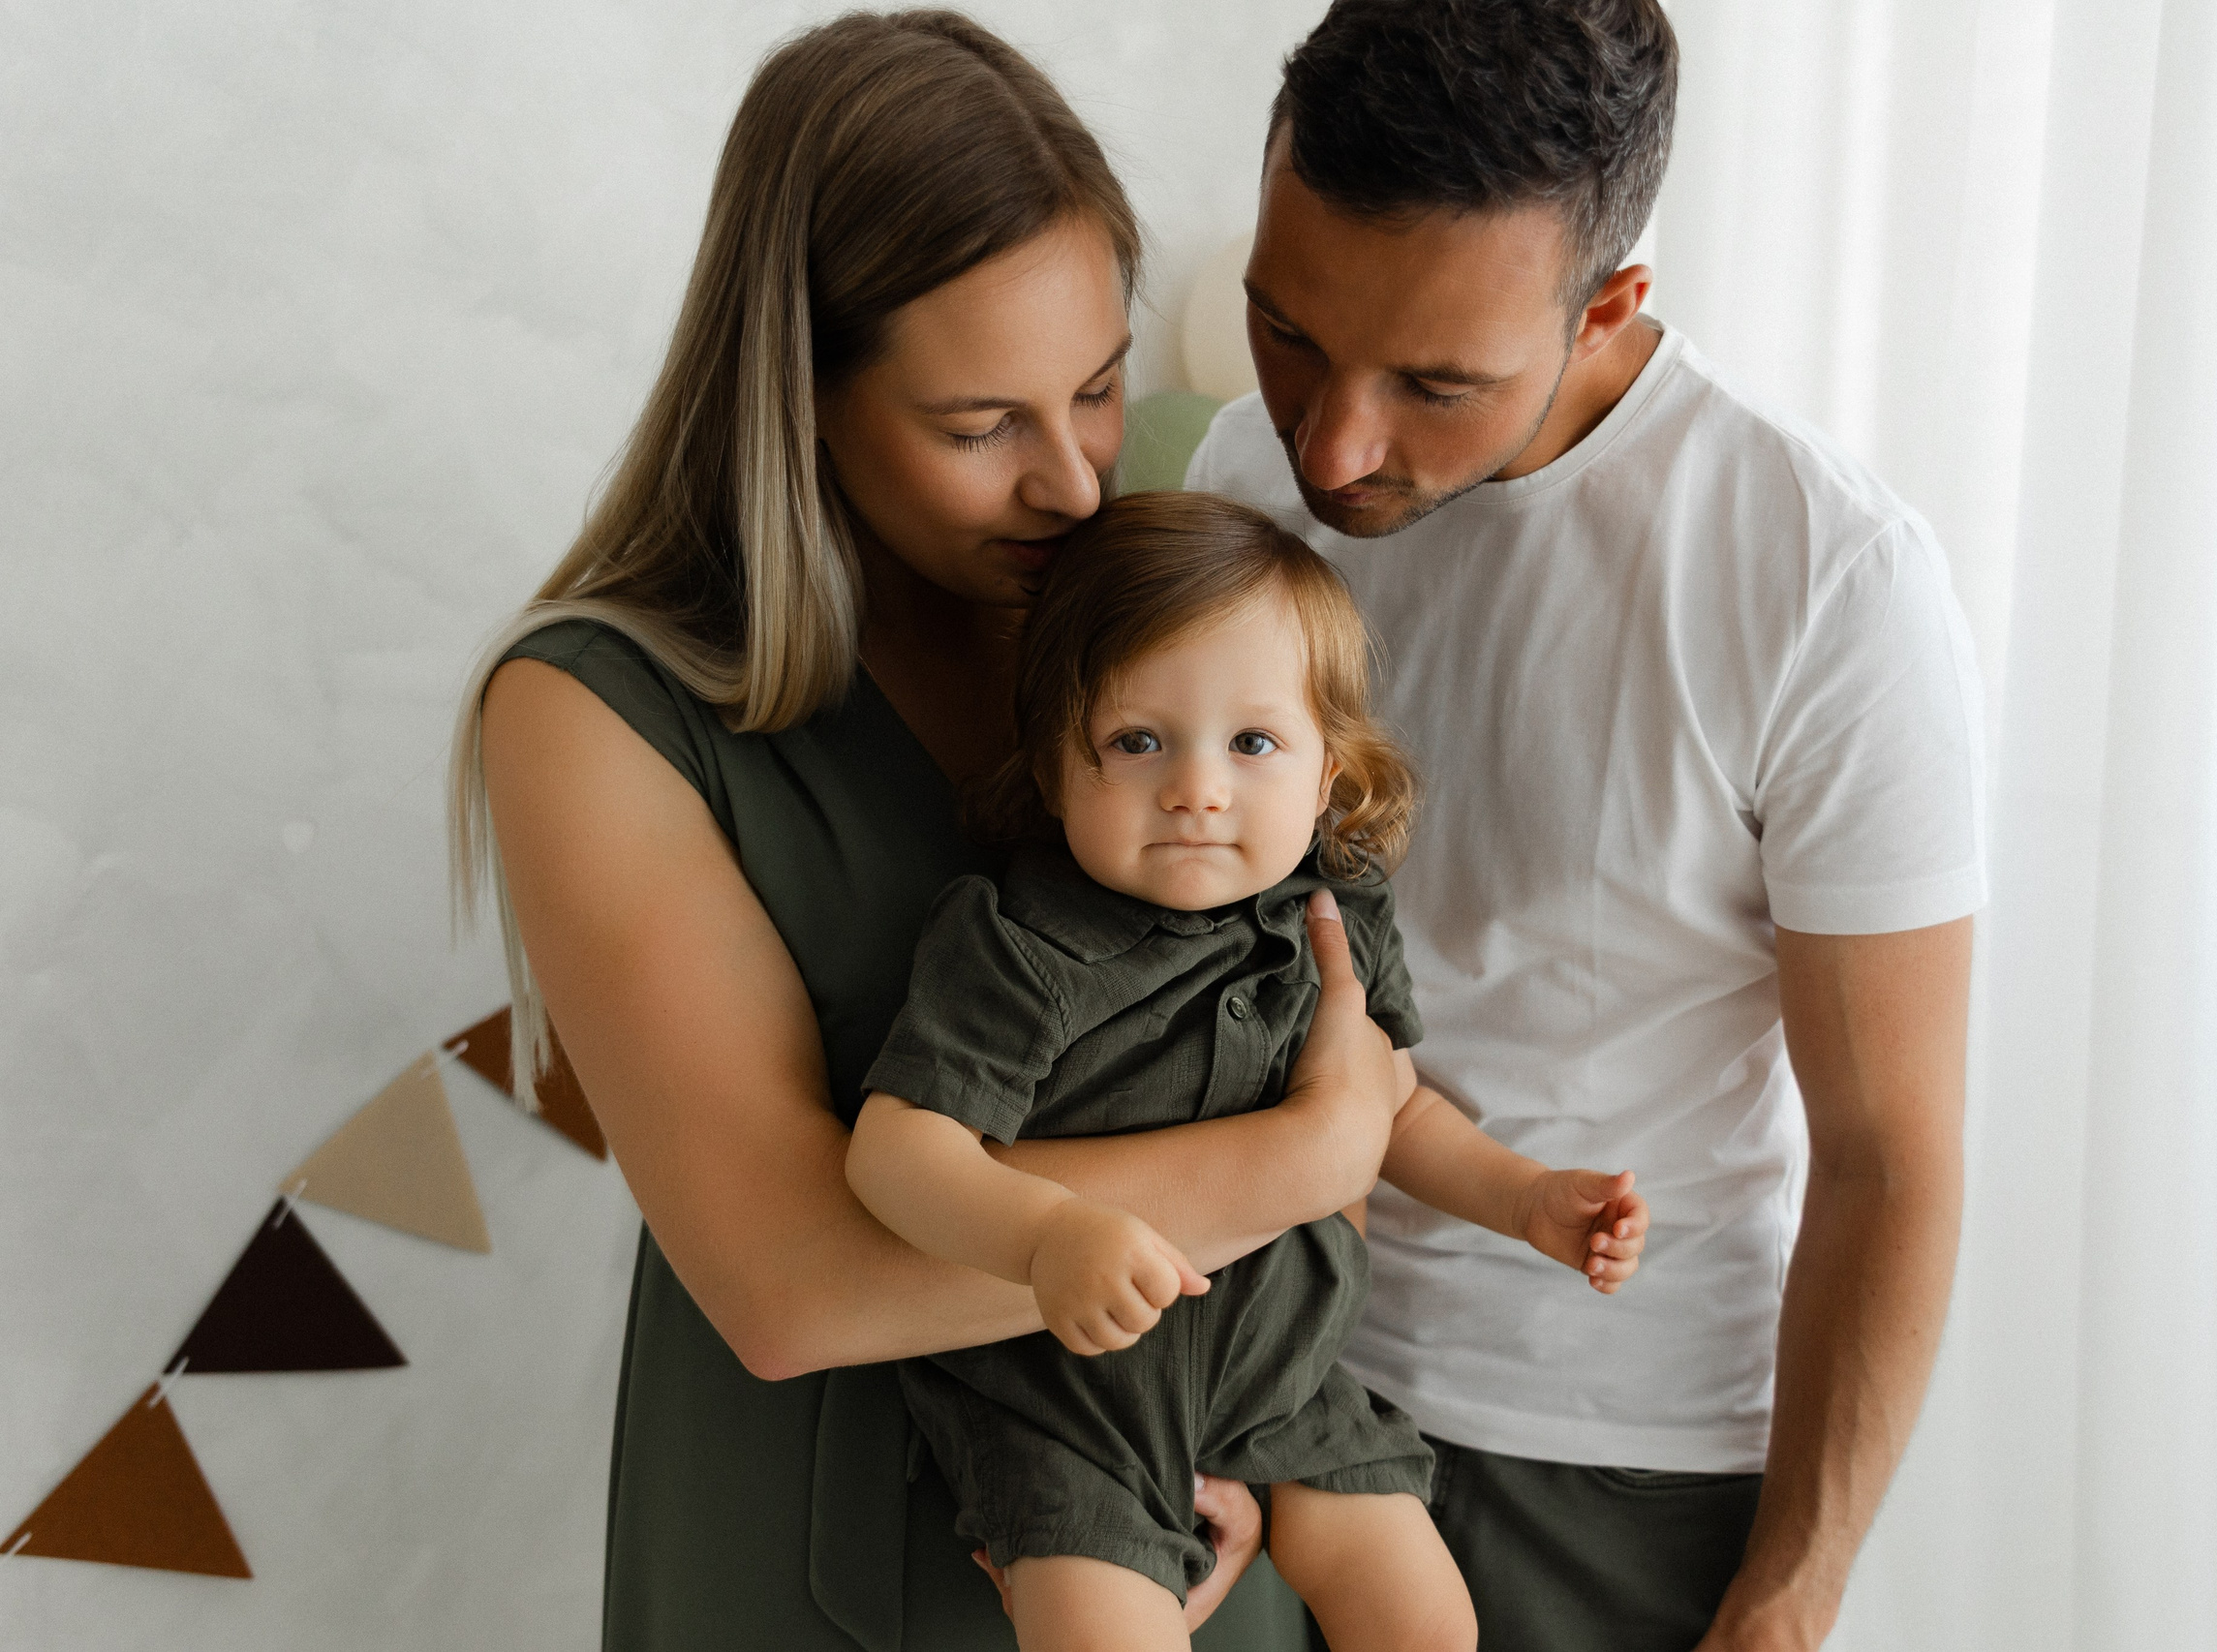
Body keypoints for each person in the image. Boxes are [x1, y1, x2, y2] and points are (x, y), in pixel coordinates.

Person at [448, 14, 1405, 1649]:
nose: (1076, 485)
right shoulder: (597, 713)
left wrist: (1258, 1416)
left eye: (1098, 389)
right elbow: (790, 1283)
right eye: (980, 429)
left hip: (1188, 1522)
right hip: (836, 1569)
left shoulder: (1157, 613)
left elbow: (1291, 995)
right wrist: (1304, 1165)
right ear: (803, 401)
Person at [1185, 3, 1986, 1649]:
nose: (1331, 446)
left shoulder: (1820, 579)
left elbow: (1891, 1154)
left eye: (1432, 383)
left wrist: (1793, 1590)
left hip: (1608, 1464)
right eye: (1288, 335)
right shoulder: (1238, 477)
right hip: (1255, 1383)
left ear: (1611, 304)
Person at [844, 492, 1650, 1652]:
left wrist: (1522, 1199)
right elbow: (896, 1147)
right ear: (1052, 764)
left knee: (1428, 1622)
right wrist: (1043, 1237)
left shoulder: (1335, 917)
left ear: (1329, 776)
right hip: (1066, 1405)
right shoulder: (1021, 944)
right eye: (1136, 740)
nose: (1197, 788)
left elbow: (1397, 1105)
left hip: (1285, 1379)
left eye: (1252, 743)